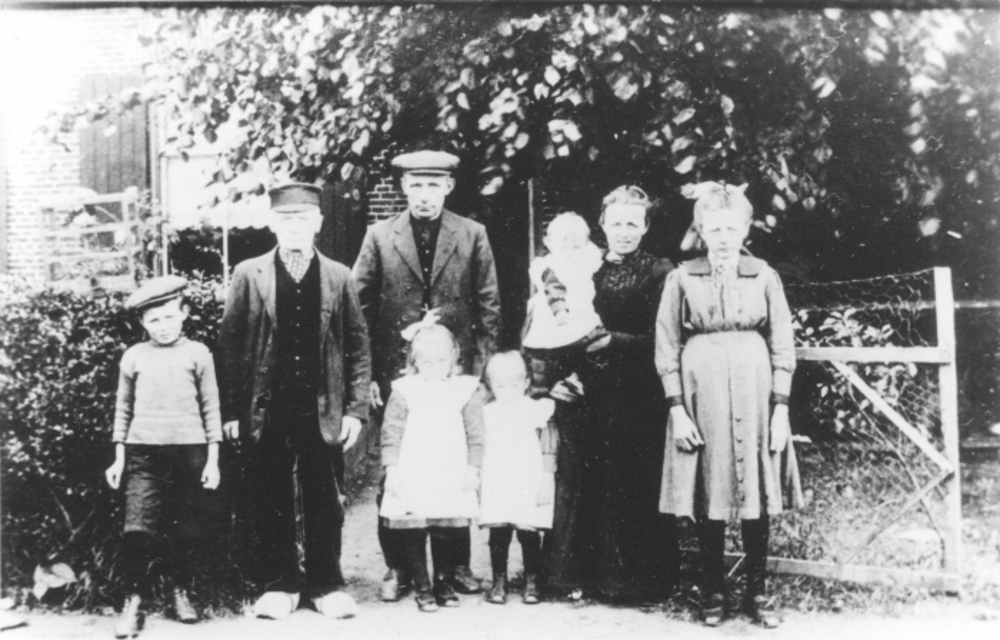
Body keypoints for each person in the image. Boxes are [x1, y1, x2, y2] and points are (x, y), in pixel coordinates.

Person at [217, 183, 371, 621]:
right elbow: (231, 346)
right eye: (286, 218)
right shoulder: (249, 273)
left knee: (325, 496)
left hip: (323, 407)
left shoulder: (338, 275)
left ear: (318, 222)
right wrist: (232, 412)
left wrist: (355, 410)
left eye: (303, 218)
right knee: (270, 494)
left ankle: (326, 585)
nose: (295, 226)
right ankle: (279, 585)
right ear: (272, 223)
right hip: (268, 409)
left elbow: (358, 347)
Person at [353, 149, 501, 600]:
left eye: (433, 185)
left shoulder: (472, 234)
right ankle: (398, 567)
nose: (423, 195)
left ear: (448, 187)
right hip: (398, 378)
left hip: (453, 376)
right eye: (415, 185)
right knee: (397, 468)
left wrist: (479, 376)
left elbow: (490, 309)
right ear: (403, 187)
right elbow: (358, 310)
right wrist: (367, 376)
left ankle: (456, 566)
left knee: (453, 464)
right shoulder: (380, 236)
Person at [655, 181, 803, 628]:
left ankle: (757, 591)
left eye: (731, 228)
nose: (723, 237)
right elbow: (667, 346)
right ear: (701, 230)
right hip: (702, 394)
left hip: (756, 391)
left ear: (745, 230)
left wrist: (781, 409)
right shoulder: (681, 277)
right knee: (709, 489)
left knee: (757, 486)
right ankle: (713, 590)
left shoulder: (765, 275)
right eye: (714, 228)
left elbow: (783, 344)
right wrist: (677, 409)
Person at [548, 185, 678, 601]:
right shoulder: (587, 265)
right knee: (591, 481)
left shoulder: (660, 271)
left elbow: (664, 336)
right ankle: (589, 578)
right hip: (591, 389)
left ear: (645, 226)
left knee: (634, 481)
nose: (624, 231)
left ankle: (638, 583)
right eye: (616, 222)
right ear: (602, 224)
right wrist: (560, 375)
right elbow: (555, 323)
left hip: (640, 390)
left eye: (633, 223)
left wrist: (613, 342)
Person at [105, 275, 222, 638]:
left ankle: (179, 592)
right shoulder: (134, 356)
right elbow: (123, 409)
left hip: (190, 453)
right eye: (153, 320)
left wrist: (213, 460)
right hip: (143, 454)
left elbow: (211, 408)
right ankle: (134, 601)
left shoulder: (199, 353)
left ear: (184, 313)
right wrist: (119, 457)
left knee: (185, 528)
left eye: (169, 316)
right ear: (142, 322)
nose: (163, 326)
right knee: (137, 529)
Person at [378, 324, 485, 612]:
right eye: (427, 362)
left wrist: (473, 469)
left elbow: (475, 435)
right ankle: (422, 587)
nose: (435, 368)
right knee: (415, 527)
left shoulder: (464, 390)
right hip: (415, 468)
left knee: (444, 526)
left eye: (441, 361)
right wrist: (392, 469)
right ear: (415, 361)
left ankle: (443, 584)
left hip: (449, 468)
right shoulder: (405, 390)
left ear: (453, 358)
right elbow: (391, 434)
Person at [478, 352, 557, 605]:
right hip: (498, 477)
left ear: (526, 383)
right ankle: (498, 580)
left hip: (527, 477)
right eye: (500, 386)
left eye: (514, 385)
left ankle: (531, 580)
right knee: (499, 531)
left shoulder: (536, 409)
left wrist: (547, 478)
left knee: (528, 530)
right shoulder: (487, 413)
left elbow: (548, 446)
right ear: (491, 385)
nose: (508, 392)